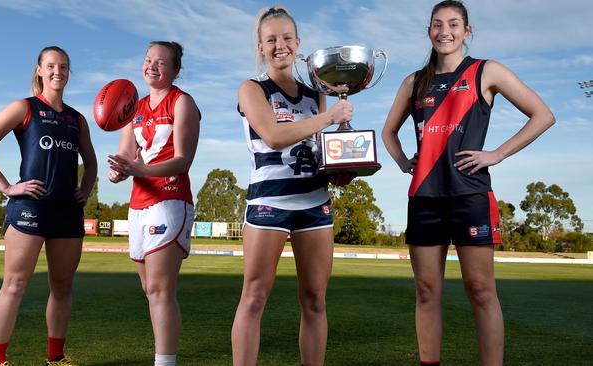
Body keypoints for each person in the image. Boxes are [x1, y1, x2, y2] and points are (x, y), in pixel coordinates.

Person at [381, 1, 555, 365]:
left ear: (467, 30)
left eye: (454, 24)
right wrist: (403, 162)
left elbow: (543, 115)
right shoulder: (414, 81)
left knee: (480, 291)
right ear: (429, 30)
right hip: (425, 198)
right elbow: (389, 131)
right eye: (437, 24)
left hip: (470, 195)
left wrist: (498, 154)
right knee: (427, 292)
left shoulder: (485, 71)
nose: (445, 31)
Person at [230, 6, 354, 366]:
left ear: (298, 44)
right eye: (271, 40)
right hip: (269, 203)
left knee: (315, 300)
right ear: (260, 47)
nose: (279, 45)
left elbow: (314, 148)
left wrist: (338, 171)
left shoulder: (315, 93)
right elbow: (272, 136)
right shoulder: (251, 89)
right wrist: (330, 117)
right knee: (254, 297)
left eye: (286, 38)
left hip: (315, 202)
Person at [0, 46, 97, 366]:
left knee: (63, 287)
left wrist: (84, 190)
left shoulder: (76, 119)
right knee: (15, 284)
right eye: (51, 66)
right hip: (30, 209)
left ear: (68, 72)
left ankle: (56, 357)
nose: (58, 71)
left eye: (64, 66)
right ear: (39, 70)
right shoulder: (23, 108)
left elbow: (90, 163)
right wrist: (8, 187)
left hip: (67, 212)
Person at [107, 41, 200, 366]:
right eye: (148, 60)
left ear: (175, 70)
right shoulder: (134, 108)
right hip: (139, 204)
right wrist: (117, 171)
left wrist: (138, 169)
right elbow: (125, 155)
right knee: (150, 290)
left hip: (170, 200)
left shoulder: (183, 103)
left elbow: (182, 161)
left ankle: (164, 362)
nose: (152, 67)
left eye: (161, 62)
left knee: (160, 290)